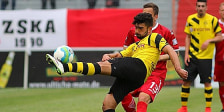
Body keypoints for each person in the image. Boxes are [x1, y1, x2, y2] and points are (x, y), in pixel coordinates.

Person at [46, 13, 188, 112]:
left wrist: (178, 68)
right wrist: (109, 55)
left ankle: (64, 67)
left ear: (150, 29)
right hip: (136, 78)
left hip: (138, 67)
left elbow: (170, 50)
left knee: (101, 67)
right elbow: (119, 54)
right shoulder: (136, 46)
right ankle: (64, 67)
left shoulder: (155, 37)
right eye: (136, 28)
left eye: (141, 28)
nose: (137, 31)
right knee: (107, 104)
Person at [121, 2, 179, 112]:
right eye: (143, 13)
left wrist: (158, 58)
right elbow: (126, 48)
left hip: (156, 73)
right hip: (138, 71)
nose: (145, 16)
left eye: (148, 14)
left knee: (143, 97)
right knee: (122, 91)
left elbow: (175, 52)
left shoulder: (165, 32)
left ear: (156, 16)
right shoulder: (134, 30)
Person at [177, 0, 223, 112]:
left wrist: (209, 41)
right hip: (192, 56)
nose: (201, 8)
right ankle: (184, 107)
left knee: (207, 83)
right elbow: (188, 37)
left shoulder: (212, 20)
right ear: (196, 7)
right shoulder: (190, 19)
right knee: (186, 81)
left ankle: (208, 108)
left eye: (203, 6)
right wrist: (186, 53)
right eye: (199, 6)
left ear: (206, 7)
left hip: (206, 58)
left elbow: (220, 37)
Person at [214, 2, 224, 112]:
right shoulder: (215, 24)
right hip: (220, 60)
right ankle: (223, 107)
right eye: (223, 10)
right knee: (221, 83)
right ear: (219, 11)